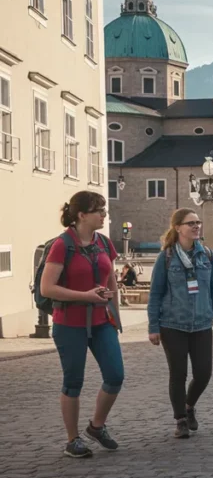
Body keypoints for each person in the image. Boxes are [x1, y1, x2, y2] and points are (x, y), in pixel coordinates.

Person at [39, 191, 123, 458]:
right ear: (81, 215)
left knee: (115, 375)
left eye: (104, 210)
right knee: (73, 382)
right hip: (69, 324)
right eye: (99, 210)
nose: (104, 215)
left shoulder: (105, 243)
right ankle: (72, 439)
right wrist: (84, 297)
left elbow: (111, 281)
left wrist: (115, 315)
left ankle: (96, 426)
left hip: (101, 322)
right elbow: (47, 288)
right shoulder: (62, 245)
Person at [147, 208, 213, 438]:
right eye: (190, 223)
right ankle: (180, 419)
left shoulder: (208, 255)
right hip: (173, 324)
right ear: (178, 228)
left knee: (203, 373)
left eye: (198, 222)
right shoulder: (167, 257)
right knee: (178, 373)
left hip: (202, 323)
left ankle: (189, 405)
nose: (196, 226)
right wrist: (153, 327)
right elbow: (155, 294)